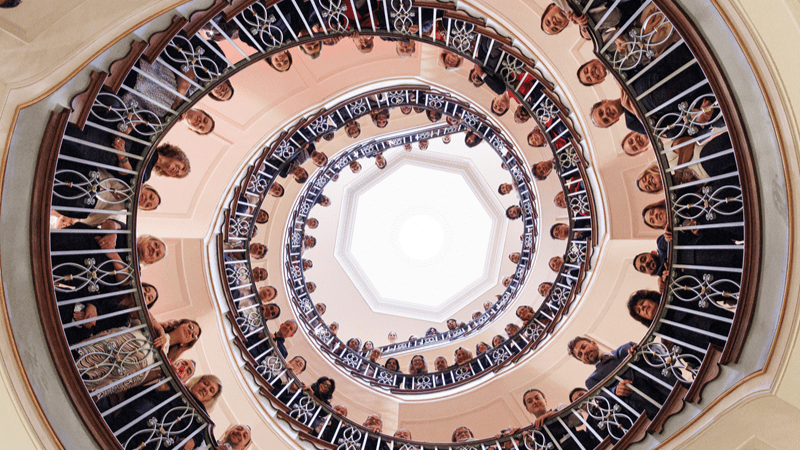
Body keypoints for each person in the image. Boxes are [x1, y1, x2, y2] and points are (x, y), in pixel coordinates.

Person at [568, 336, 676, 418]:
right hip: (643, 402)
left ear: (593, 343)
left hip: (663, 382)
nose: (585, 353)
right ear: (584, 362)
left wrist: (641, 354)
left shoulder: (626, 347)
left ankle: (679, 389)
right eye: (580, 355)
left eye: (584, 347)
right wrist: (615, 390)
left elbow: (654, 355)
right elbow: (603, 397)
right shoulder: (591, 380)